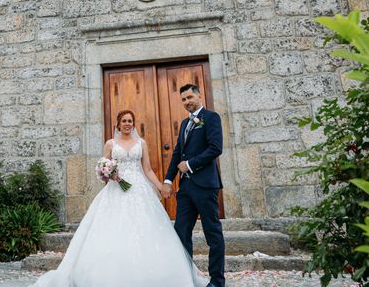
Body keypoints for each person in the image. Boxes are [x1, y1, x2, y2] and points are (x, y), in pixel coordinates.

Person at [31, 110, 207, 287]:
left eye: (130, 121)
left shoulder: (141, 143)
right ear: (118, 123)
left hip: (139, 190)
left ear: (133, 123)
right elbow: (102, 166)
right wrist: (109, 174)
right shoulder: (111, 143)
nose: (127, 124)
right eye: (124, 121)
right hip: (116, 189)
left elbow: (148, 170)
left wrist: (160, 187)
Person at [161, 84, 226, 287]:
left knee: (212, 234)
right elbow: (177, 154)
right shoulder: (184, 124)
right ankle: (185, 277)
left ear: (199, 95)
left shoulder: (211, 117)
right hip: (186, 189)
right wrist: (168, 180)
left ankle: (217, 281)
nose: (187, 102)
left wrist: (189, 165)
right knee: (181, 232)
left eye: (189, 97)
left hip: (206, 185)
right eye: (183, 99)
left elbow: (216, 148)